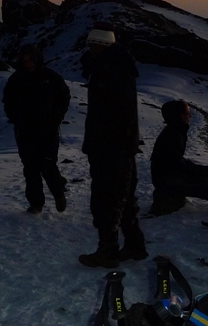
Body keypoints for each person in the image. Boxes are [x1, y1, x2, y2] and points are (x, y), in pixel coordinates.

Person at [78, 23, 147, 268]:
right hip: (113, 145)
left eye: (95, 45)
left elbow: (121, 113)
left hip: (111, 147)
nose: (91, 49)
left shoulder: (112, 70)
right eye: (91, 45)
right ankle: (134, 245)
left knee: (107, 198)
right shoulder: (111, 67)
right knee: (123, 197)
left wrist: (114, 144)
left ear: (104, 46)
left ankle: (108, 250)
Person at [2, 44, 71, 214]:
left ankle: (58, 192)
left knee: (48, 166)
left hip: (48, 131)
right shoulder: (16, 79)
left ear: (36, 59)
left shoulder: (51, 77)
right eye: (24, 60)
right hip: (25, 132)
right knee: (30, 169)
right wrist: (16, 119)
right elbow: (8, 102)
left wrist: (56, 118)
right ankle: (36, 204)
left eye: (30, 60)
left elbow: (64, 97)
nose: (28, 63)